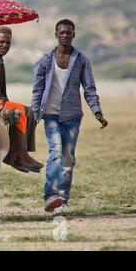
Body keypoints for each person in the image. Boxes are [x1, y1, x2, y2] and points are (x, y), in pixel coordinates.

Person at [32, 18, 108, 214]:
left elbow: (89, 88)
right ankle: (50, 195)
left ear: (74, 35)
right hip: (50, 115)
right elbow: (37, 90)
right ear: (56, 35)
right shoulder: (45, 61)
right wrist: (34, 115)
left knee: (67, 158)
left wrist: (97, 111)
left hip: (72, 117)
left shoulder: (81, 60)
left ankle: (63, 200)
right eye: (62, 32)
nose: (65, 35)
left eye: (68, 32)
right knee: (56, 152)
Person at [0, 26, 43, 173]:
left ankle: (20, 154)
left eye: (7, 43)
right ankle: (16, 155)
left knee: (29, 112)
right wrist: (6, 104)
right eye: (1, 42)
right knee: (20, 111)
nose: (4, 45)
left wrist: (6, 101)